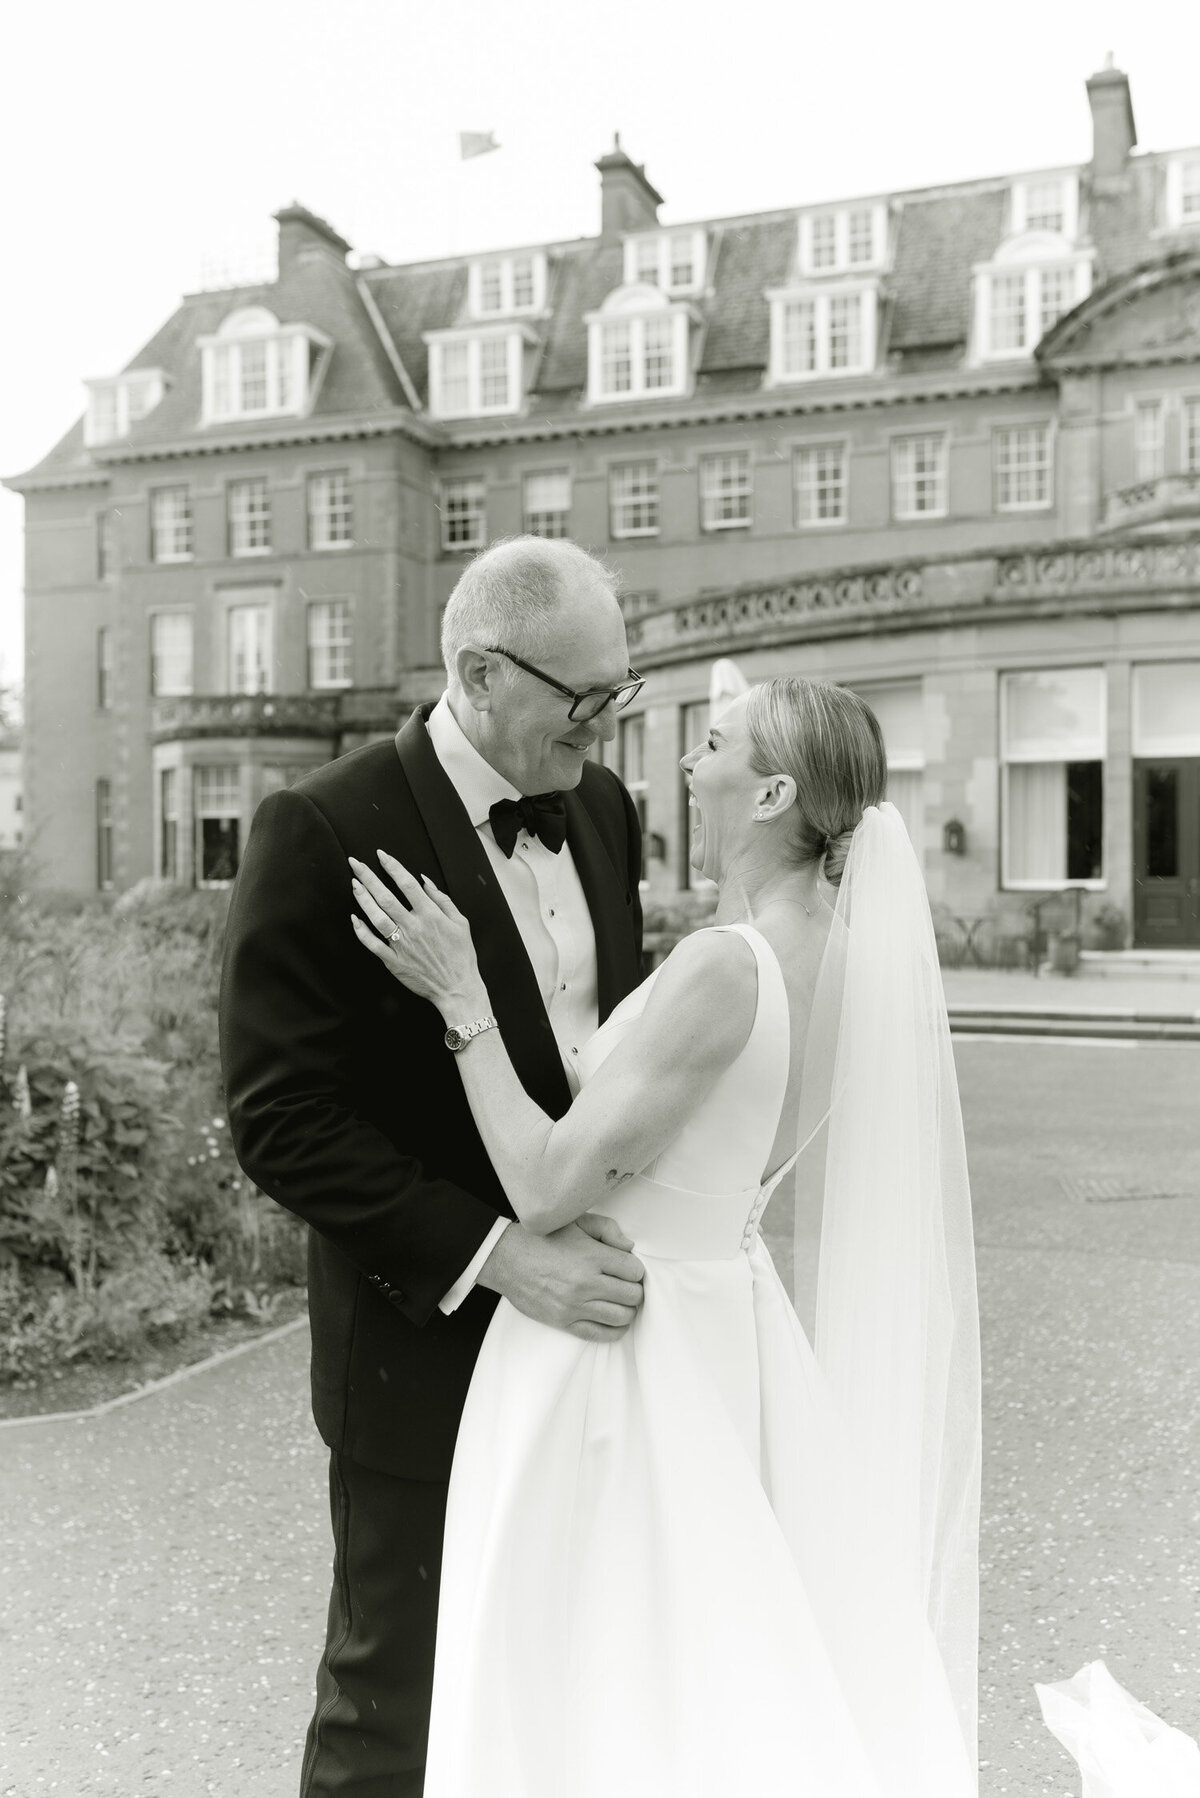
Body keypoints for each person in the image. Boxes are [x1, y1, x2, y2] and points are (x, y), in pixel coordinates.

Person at [350, 675, 984, 1798]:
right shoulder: (847, 956)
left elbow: (546, 1183)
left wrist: (462, 997)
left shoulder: (726, 965)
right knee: (706, 1670)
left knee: (593, 1683)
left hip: (617, 1347)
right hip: (726, 1322)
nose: (690, 763)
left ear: (773, 791)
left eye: (717, 744)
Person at [218, 536, 649, 1796]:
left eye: (625, 689)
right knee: (390, 1704)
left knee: (564, 1677)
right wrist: (506, 1259)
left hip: (599, 1344)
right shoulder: (323, 825)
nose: (611, 725)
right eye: (586, 699)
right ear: (477, 671)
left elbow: (598, 1050)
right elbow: (280, 1115)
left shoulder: (606, 807)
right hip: (427, 1352)